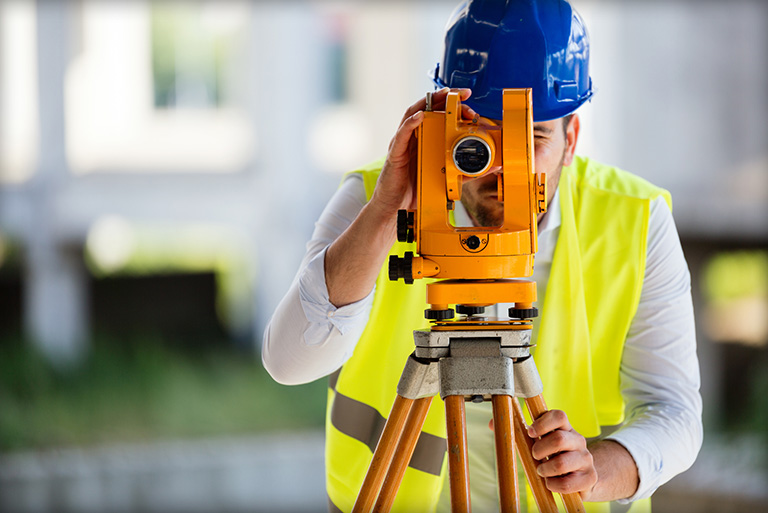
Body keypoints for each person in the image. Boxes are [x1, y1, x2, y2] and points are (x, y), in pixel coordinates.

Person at [263, 1, 702, 512]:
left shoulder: (635, 219)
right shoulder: (377, 197)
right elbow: (289, 361)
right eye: (481, 136)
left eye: (531, 136)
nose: (502, 166)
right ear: (441, 121)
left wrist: (596, 469)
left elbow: (674, 412)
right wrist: (386, 211)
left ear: (571, 139)